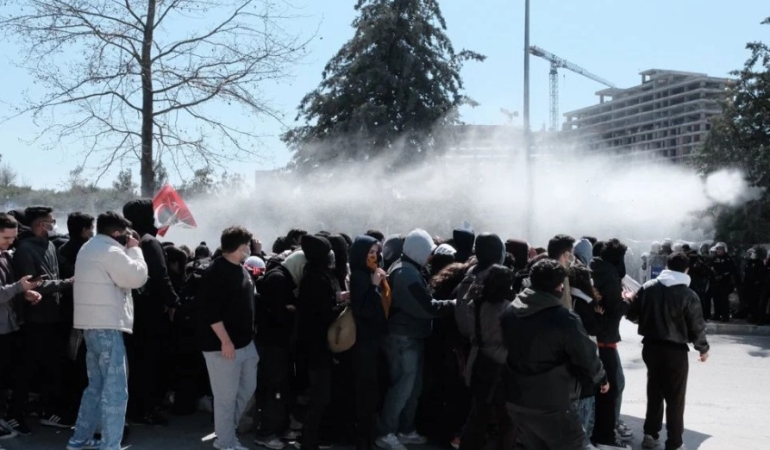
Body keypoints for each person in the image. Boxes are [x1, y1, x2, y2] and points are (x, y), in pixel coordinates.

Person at [501, 259, 608, 450]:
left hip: (516, 399)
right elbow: (587, 357)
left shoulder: (509, 311)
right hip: (552, 403)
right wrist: (602, 379)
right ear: (559, 286)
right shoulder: (564, 319)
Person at [67, 211, 149, 450]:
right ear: (117, 233)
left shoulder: (90, 247)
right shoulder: (110, 250)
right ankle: (110, 444)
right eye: (124, 235)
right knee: (115, 391)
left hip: (91, 326)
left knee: (95, 387)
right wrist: (135, 250)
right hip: (107, 327)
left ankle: (79, 439)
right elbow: (136, 277)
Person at [376, 229, 455, 450]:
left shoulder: (405, 268)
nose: (430, 257)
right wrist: (454, 304)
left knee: (412, 387)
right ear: (420, 250)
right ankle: (386, 433)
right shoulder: (407, 274)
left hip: (410, 336)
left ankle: (404, 429)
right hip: (403, 338)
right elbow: (426, 307)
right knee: (402, 388)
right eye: (428, 251)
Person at [626, 252, 709, 450]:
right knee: (675, 398)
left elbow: (632, 314)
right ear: (686, 270)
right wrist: (702, 348)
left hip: (651, 347)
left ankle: (650, 435)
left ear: (666, 265)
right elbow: (697, 326)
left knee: (654, 391)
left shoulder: (649, 287)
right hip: (676, 351)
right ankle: (674, 443)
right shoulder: (689, 294)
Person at [8, 206, 74, 434]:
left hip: (50, 318)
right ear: (39, 225)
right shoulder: (25, 249)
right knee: (26, 368)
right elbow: (33, 283)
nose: (53, 225)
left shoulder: (49, 246)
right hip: (34, 319)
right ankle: (15, 414)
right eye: (50, 221)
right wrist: (67, 283)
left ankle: (47, 411)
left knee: (51, 366)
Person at [198, 226, 259, 450]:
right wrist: (226, 341)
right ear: (240, 246)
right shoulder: (215, 272)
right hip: (222, 347)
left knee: (246, 389)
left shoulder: (240, 268)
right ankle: (225, 442)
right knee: (225, 398)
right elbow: (210, 313)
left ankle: (225, 434)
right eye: (247, 244)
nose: (250, 248)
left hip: (245, 344)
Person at [122, 199, 179, 425]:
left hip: (131, 311)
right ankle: (144, 409)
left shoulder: (126, 241)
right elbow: (160, 276)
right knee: (148, 362)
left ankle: (136, 407)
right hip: (150, 313)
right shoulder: (149, 242)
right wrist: (174, 301)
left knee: (136, 362)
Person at [0, 213, 42, 442]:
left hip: (8, 326)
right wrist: (19, 287)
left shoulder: (6, 255)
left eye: (13, 238)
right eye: (6, 237)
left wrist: (25, 292)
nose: (10, 242)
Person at [349, 235, 389, 450]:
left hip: (374, 341)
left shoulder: (371, 274)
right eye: (370, 252)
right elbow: (363, 310)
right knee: (366, 393)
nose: (374, 256)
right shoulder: (359, 276)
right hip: (364, 343)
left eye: (376, 252)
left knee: (373, 391)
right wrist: (374, 286)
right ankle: (363, 439)